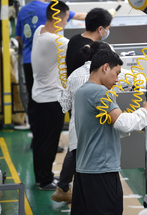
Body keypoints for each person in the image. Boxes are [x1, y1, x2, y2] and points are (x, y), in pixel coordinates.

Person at [71, 49, 147, 215]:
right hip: (101, 171)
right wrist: (146, 111)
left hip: (85, 171)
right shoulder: (100, 92)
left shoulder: (82, 92)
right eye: (116, 73)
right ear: (105, 68)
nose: (117, 80)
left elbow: (103, 127)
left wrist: (138, 123)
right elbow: (122, 123)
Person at [15, 0, 86, 149]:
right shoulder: (52, 9)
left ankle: (37, 138)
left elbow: (19, 37)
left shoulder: (23, 10)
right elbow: (77, 16)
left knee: (34, 102)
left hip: (28, 61)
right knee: (51, 103)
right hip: (48, 62)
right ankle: (49, 141)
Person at [51, 42, 112, 203]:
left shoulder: (74, 75)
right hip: (99, 132)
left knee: (77, 162)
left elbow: (64, 105)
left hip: (77, 128)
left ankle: (68, 191)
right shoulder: (105, 75)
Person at [31, 0, 70, 190]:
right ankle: (46, 180)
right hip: (51, 100)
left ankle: (41, 176)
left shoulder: (40, 31)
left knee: (39, 140)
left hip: (38, 97)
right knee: (49, 141)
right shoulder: (57, 41)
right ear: (57, 18)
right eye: (65, 19)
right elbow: (81, 48)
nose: (66, 23)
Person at [66, 7, 112, 77]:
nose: (107, 32)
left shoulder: (73, 40)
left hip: (72, 85)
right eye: (108, 28)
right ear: (100, 29)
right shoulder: (96, 49)